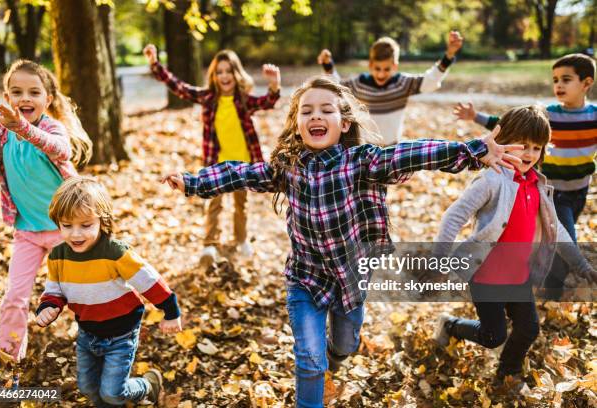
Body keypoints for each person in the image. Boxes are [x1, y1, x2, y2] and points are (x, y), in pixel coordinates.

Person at [160, 75, 522, 407]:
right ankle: (315, 382)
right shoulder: (288, 167)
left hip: (351, 277)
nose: (316, 116)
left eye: (326, 110)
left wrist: (471, 150)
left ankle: (336, 355)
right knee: (309, 359)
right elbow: (239, 172)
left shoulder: (360, 161)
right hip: (306, 277)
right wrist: (193, 182)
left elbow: (409, 152)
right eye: (307, 111)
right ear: (297, 125)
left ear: (344, 123)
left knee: (345, 345)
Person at [433, 105, 595, 388]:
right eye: (523, 145)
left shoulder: (537, 187)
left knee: (529, 328)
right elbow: (453, 216)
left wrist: (582, 265)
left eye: (536, 147)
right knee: (494, 336)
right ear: (504, 141)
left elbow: (556, 232)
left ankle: (507, 374)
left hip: (518, 277)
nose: (529, 154)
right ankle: (450, 324)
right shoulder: (492, 180)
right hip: (486, 277)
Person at [453, 54, 596, 299]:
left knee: (550, 234)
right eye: (555, 80)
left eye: (566, 79)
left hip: (579, 190)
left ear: (586, 83)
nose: (558, 85)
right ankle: (551, 290)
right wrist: (475, 117)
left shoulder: (594, 116)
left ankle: (535, 278)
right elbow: (507, 124)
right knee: (561, 235)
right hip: (552, 191)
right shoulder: (548, 115)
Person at [36, 176, 182, 407]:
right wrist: (48, 306)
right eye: (67, 225)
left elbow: (149, 281)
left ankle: (148, 385)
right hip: (87, 333)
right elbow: (55, 289)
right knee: (88, 388)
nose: (76, 234)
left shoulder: (115, 252)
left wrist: (170, 311)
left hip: (121, 334)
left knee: (113, 392)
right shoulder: (58, 255)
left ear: (102, 221)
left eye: (86, 225)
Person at [0, 59, 92, 363]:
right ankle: (9, 357)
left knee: (81, 293)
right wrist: (12, 124)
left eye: (34, 92)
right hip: (28, 232)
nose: (25, 99)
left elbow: (62, 150)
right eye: (16, 92)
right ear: (7, 99)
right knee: (14, 297)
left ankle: (102, 345)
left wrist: (23, 126)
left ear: (48, 99)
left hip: (68, 232)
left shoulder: (51, 128)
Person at [144, 44, 281, 264]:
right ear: (214, 76)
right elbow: (180, 87)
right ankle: (210, 246)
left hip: (243, 167)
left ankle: (241, 240)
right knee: (214, 205)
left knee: (240, 206)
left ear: (236, 74)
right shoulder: (209, 98)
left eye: (228, 71)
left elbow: (267, 101)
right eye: (219, 72)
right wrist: (155, 65)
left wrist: (274, 84)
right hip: (216, 166)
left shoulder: (244, 100)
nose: (224, 76)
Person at [317, 31, 463, 145]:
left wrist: (449, 55)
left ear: (395, 66)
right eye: (377, 68)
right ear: (370, 65)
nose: (381, 74)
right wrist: (327, 65)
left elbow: (430, 81)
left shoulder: (402, 84)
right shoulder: (361, 83)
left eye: (387, 69)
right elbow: (336, 87)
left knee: (386, 183)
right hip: (365, 146)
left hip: (392, 146)